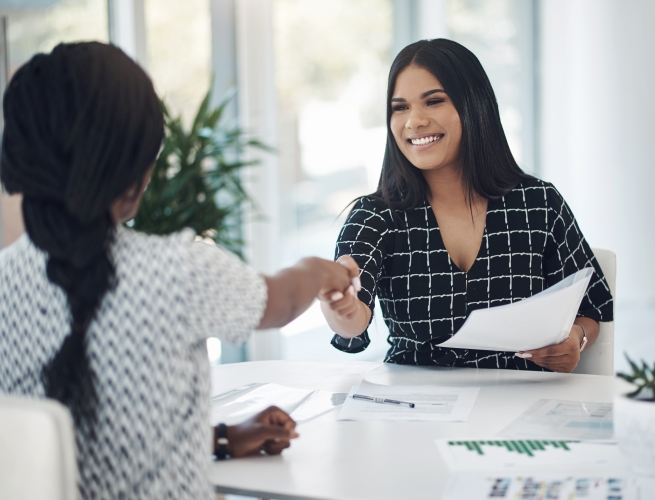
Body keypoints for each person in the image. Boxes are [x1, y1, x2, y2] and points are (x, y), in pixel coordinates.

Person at [0, 42, 357, 499]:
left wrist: (221, 438)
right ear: (137, 173)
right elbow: (282, 302)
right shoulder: (177, 270)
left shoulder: (7, 281)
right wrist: (318, 270)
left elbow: (68, 443)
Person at [321, 39, 613, 373]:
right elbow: (353, 323)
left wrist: (576, 337)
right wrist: (339, 304)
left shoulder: (539, 204)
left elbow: (593, 307)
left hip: (519, 404)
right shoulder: (375, 216)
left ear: (474, 105)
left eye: (433, 101)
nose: (413, 121)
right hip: (414, 410)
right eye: (400, 107)